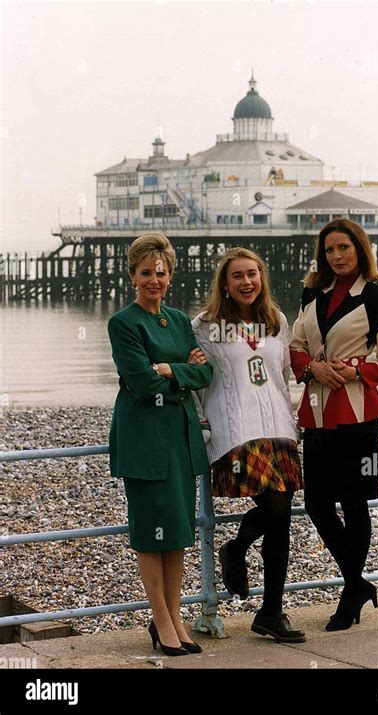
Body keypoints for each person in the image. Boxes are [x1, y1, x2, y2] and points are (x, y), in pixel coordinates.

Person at [290, 218, 378, 631]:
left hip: (357, 415)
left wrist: (352, 371)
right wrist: (313, 369)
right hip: (318, 412)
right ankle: (357, 584)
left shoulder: (377, 299)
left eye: (344, 249)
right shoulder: (311, 294)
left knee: (355, 505)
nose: (336, 257)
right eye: (330, 251)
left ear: (360, 250)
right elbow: (295, 348)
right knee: (317, 504)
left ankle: (349, 594)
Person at [191, 247, 305, 643]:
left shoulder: (276, 321)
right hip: (236, 429)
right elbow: (196, 377)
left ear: (262, 278)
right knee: (276, 507)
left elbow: (284, 375)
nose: (246, 282)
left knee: (281, 513)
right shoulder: (205, 326)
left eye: (253, 274)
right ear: (225, 283)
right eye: (237, 276)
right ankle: (238, 552)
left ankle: (270, 610)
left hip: (278, 427)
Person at [107, 232, 212, 656]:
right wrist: (177, 375)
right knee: (152, 532)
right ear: (133, 275)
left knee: (178, 531)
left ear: (170, 275)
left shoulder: (180, 321)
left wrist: (172, 370)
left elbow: (206, 375)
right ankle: (161, 620)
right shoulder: (123, 323)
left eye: (162, 273)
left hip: (181, 438)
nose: (155, 280)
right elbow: (140, 381)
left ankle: (176, 615)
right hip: (145, 439)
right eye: (147, 272)